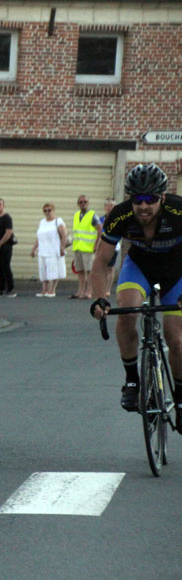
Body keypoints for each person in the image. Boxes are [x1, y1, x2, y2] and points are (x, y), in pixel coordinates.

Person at [91, 163, 182, 425]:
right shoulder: (119, 216)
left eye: (151, 199)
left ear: (162, 198)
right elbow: (101, 262)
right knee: (127, 311)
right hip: (140, 266)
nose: (143, 206)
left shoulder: (178, 211)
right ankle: (132, 381)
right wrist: (99, 299)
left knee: (175, 338)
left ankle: (181, 396)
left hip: (177, 271)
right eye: (137, 199)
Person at [30, 203, 66, 297]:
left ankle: (52, 290)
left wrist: (62, 247)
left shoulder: (58, 221)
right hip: (42, 250)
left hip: (53, 251)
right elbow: (39, 237)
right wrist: (34, 248)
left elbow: (64, 235)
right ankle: (44, 290)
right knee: (43, 271)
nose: (47, 212)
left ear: (53, 210)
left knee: (53, 271)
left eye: (49, 210)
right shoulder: (42, 222)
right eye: (45, 211)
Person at [70, 194, 101, 299]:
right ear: (78, 204)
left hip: (88, 248)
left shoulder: (92, 215)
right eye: (80, 202)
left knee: (89, 271)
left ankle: (89, 291)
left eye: (85, 202)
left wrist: (96, 244)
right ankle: (80, 291)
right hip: (78, 247)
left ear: (88, 203)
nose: (83, 204)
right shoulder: (76, 215)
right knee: (80, 271)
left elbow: (100, 229)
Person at [0, 197, 16, 297]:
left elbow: (8, 232)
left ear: (3, 206)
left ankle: (10, 288)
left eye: (0, 204)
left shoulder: (7, 218)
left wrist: (0, 243)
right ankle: (0, 288)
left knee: (5, 266)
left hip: (6, 246)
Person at [99, 197, 120, 297]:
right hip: (102, 246)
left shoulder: (117, 219)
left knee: (110, 268)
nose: (110, 207)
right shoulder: (101, 219)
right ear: (105, 207)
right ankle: (102, 288)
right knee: (102, 267)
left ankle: (108, 289)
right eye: (108, 205)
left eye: (112, 205)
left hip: (113, 246)